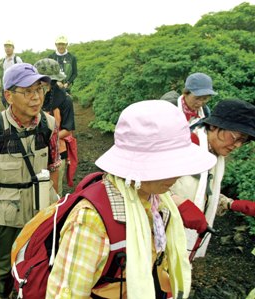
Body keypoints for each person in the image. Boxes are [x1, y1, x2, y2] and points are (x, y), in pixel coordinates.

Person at [45, 100, 216, 298]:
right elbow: (67, 293)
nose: (177, 176)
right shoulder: (91, 221)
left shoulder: (157, 200)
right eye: (169, 166)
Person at [0, 63, 60, 299]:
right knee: (2, 269)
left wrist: (57, 204)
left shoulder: (49, 125)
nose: (36, 97)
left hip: (42, 212)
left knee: (41, 263)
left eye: (39, 89)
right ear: (9, 95)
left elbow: (54, 166)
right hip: (6, 216)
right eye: (27, 91)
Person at [170, 99, 255, 259]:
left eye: (243, 141)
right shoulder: (184, 146)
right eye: (236, 137)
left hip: (183, 241)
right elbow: (144, 186)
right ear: (214, 126)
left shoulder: (214, 155)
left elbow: (200, 190)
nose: (237, 145)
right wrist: (179, 204)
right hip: (159, 237)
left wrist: (226, 203)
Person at [34, 58, 76, 195]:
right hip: (34, 152)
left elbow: (68, 130)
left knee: (54, 192)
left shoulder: (65, 100)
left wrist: (48, 137)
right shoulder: (32, 99)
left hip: (57, 152)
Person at [0, 40, 23, 108]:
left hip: (15, 85)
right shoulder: (4, 60)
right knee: (5, 101)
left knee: (16, 103)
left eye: (9, 47)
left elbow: (22, 72)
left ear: (13, 48)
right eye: (6, 47)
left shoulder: (17, 59)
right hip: (6, 85)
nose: (7, 49)